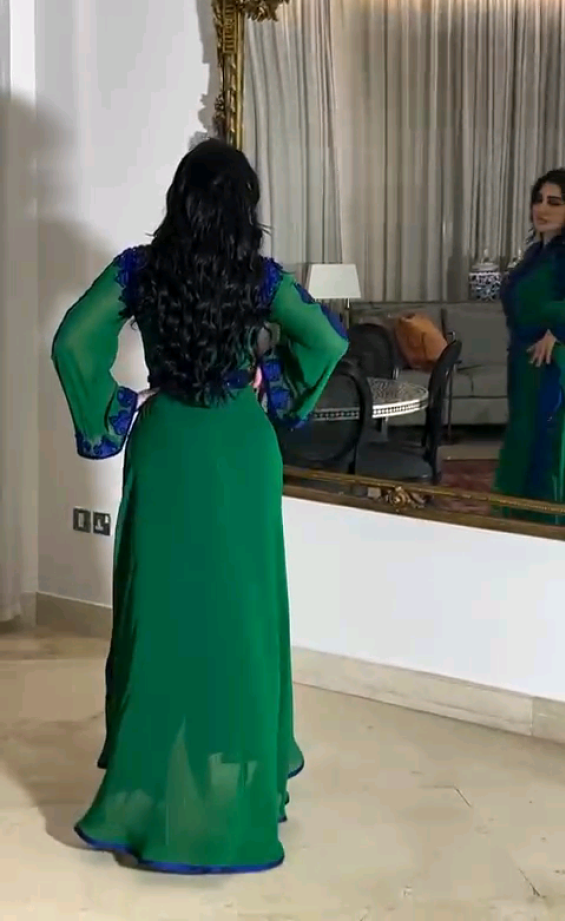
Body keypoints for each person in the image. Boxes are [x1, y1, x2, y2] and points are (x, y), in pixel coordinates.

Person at [52, 139, 348, 874]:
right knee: (242, 618)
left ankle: (148, 793)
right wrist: (272, 380)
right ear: (245, 209)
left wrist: (116, 410)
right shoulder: (259, 278)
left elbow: (71, 342)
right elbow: (326, 340)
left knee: (161, 616)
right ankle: (241, 785)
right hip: (241, 453)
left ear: (179, 200)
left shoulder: (139, 270)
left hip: (168, 451)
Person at [494, 168, 565, 522]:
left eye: (554, 202)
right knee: (523, 439)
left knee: (545, 447)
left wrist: (559, 331)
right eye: (538, 200)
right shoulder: (536, 252)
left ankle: (545, 527)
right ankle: (517, 524)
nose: (542, 208)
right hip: (523, 365)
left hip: (552, 366)